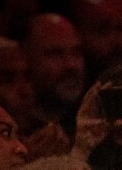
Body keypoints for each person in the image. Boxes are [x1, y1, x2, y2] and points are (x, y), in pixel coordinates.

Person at [20, 12, 86, 147]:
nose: (71, 65)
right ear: (25, 57)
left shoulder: (90, 128)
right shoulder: (15, 136)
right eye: (55, 54)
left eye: (76, 52)